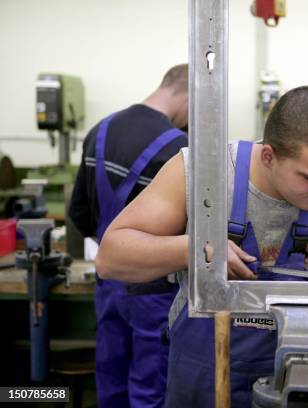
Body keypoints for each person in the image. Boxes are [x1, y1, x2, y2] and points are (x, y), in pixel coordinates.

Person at [95, 86, 308, 406]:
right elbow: (111, 257)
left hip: (299, 375)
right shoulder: (203, 173)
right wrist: (194, 250)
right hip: (204, 369)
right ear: (268, 156)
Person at [69, 64, 189, 408]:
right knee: (150, 390)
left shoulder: (99, 131)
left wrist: (115, 250)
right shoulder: (180, 150)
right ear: (188, 96)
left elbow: (78, 213)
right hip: (154, 292)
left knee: (111, 379)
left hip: (107, 284)